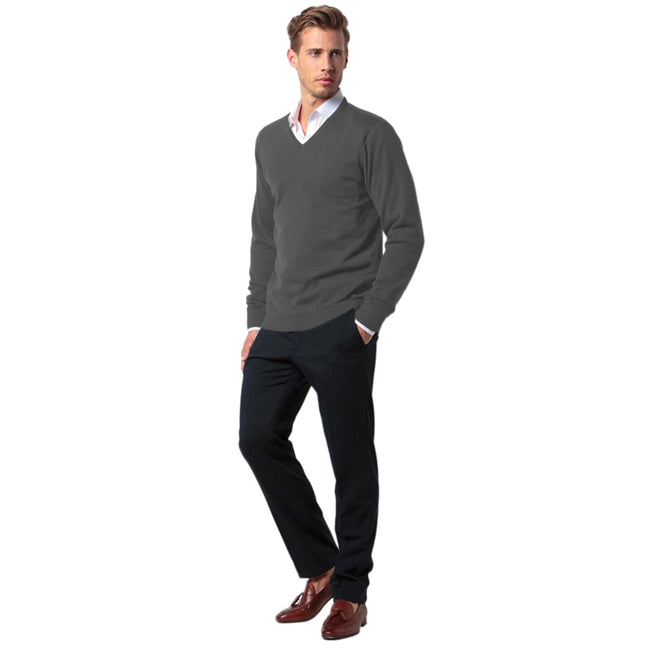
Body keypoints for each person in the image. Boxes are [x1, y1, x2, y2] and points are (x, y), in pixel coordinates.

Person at [238, 5, 424, 640]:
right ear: (292, 58)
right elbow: (265, 235)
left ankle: (351, 592)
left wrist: (368, 319)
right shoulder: (269, 141)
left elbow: (406, 233)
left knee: (351, 460)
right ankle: (321, 567)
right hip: (278, 325)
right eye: (315, 53)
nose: (327, 64)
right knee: (257, 437)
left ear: (347, 57)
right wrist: (255, 318)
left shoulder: (372, 135)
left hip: (342, 324)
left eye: (336, 53)